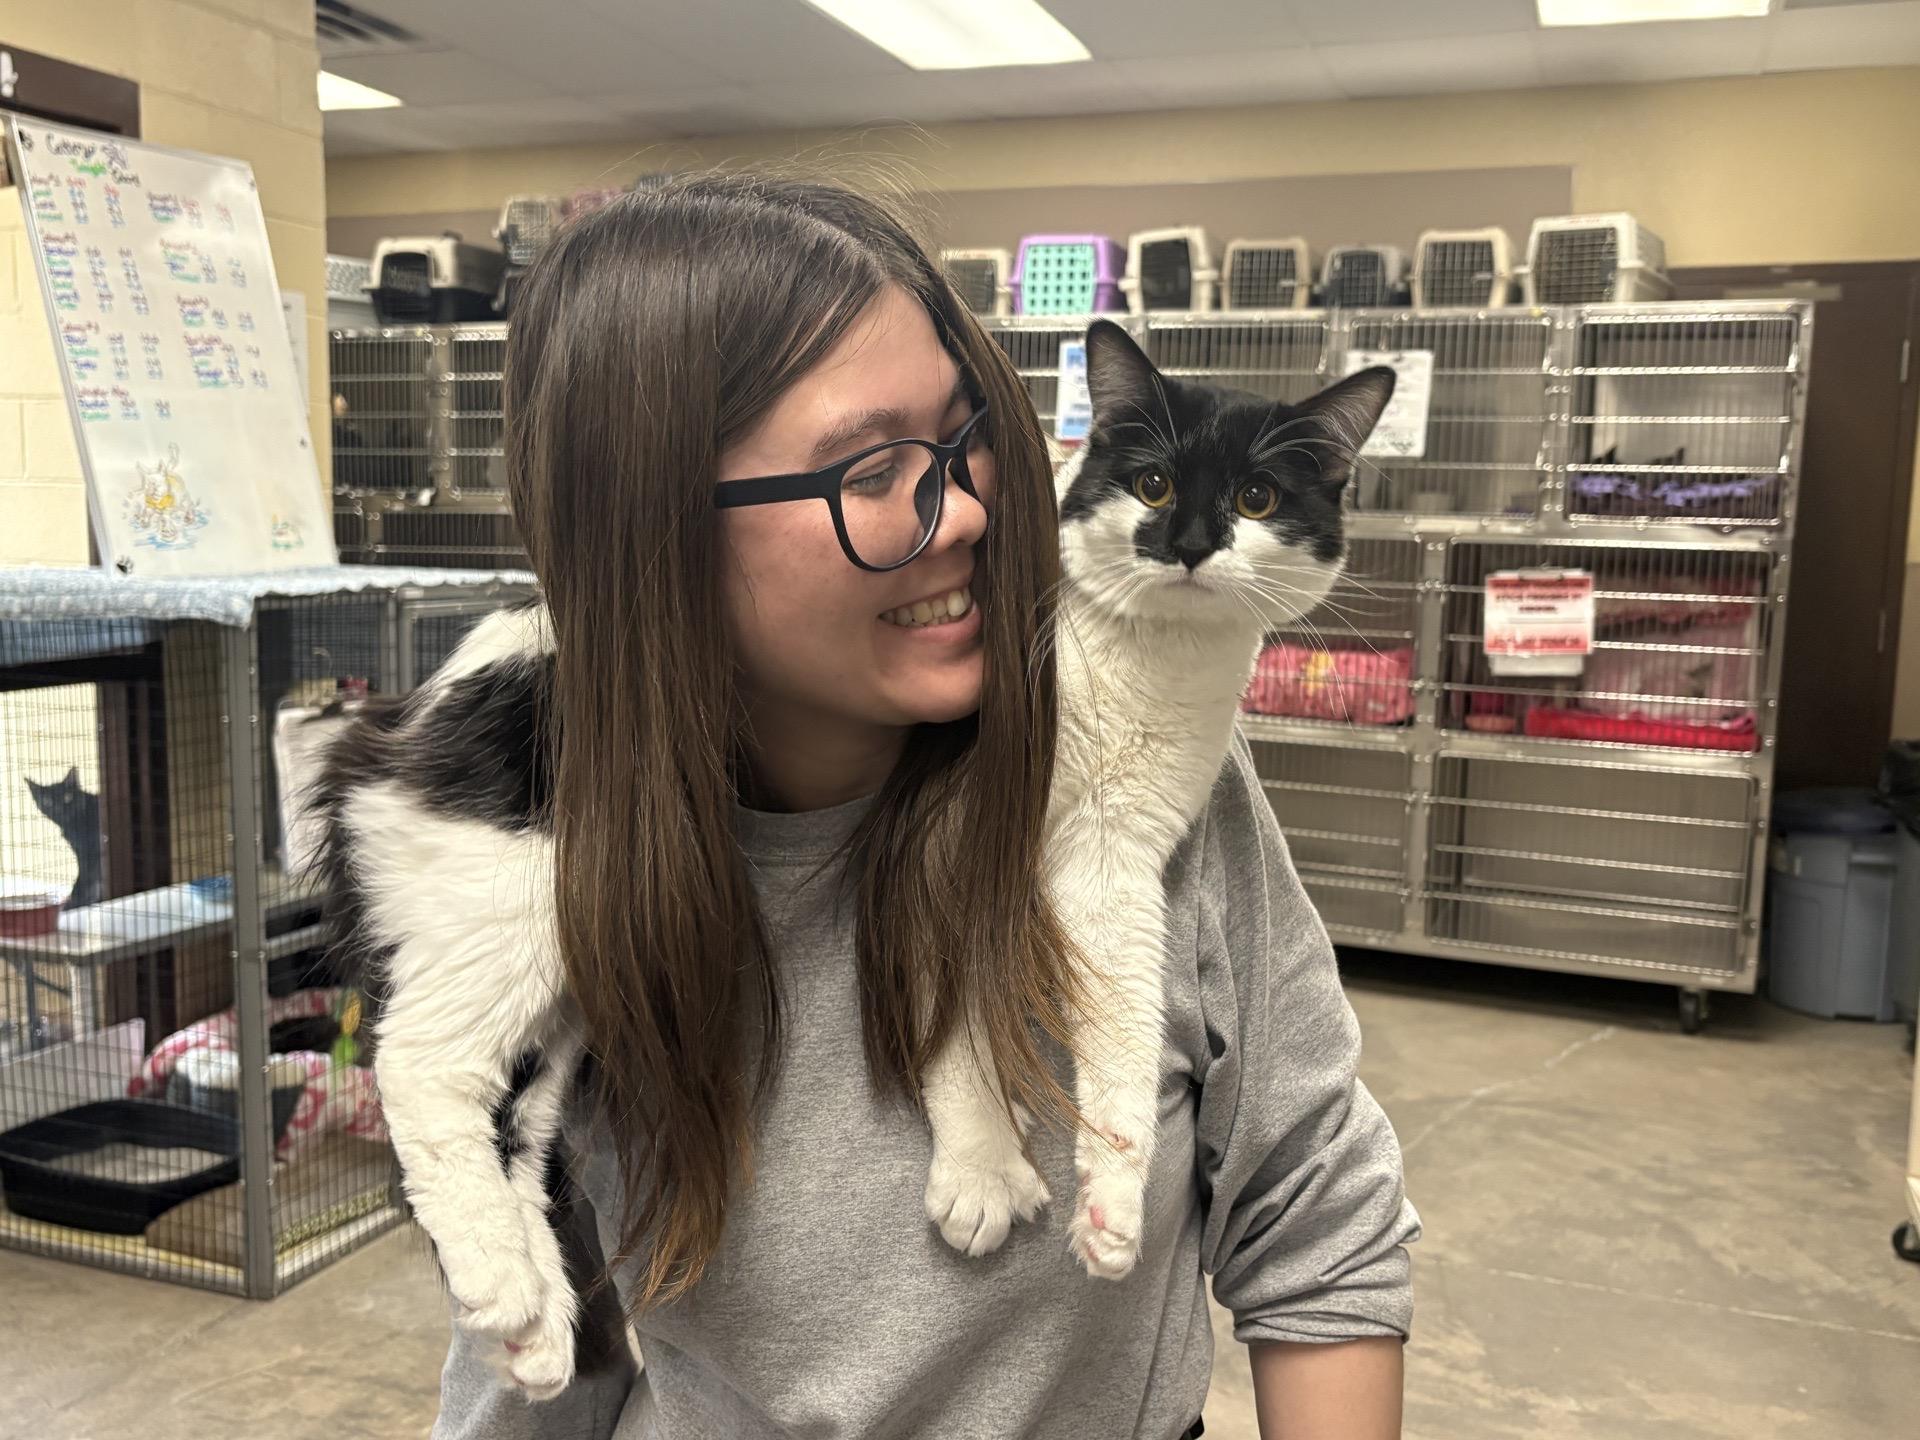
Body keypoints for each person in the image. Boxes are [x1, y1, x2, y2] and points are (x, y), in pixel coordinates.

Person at [428, 173, 1418, 1439]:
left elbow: (1319, 1215)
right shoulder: (536, 870)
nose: (965, 513)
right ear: (653, 532)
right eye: (875, 468)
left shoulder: (1161, 779)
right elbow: (530, 1345)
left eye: (968, 437)